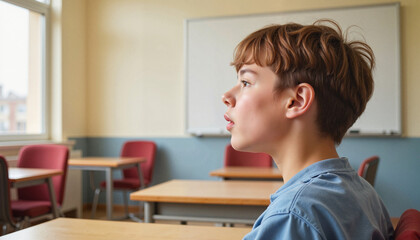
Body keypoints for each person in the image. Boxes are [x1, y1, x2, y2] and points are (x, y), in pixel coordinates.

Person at [222, 20, 395, 239]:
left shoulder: (293, 216)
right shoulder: (364, 192)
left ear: (296, 101)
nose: (226, 96)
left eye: (246, 82)